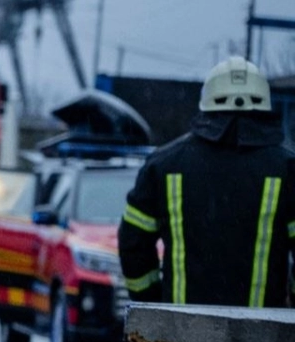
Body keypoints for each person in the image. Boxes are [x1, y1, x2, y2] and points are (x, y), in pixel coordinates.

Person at [119, 56, 294, 308]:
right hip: (265, 339)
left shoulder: (163, 165)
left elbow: (133, 243)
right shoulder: (287, 169)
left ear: (206, 103)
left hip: (177, 337)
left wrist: (152, 303)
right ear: (264, 105)